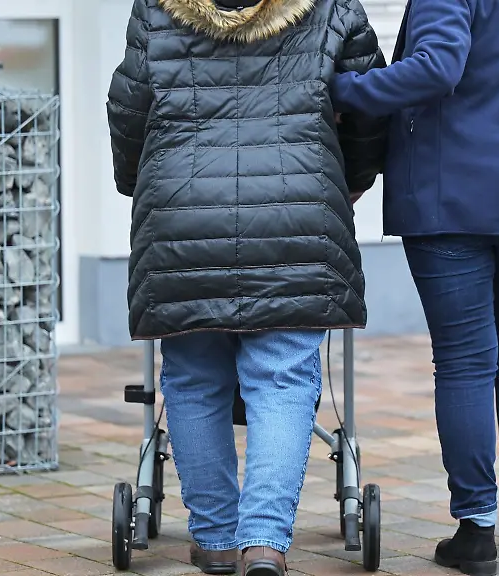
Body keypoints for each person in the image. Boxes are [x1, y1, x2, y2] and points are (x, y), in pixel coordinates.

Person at [106, 0, 387, 571]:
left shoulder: (157, 7)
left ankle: (214, 540)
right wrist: (348, 181)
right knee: (282, 379)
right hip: (295, 215)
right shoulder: (331, 6)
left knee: (192, 379)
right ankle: (263, 542)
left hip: (184, 219)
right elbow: (368, 109)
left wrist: (143, 183)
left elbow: (129, 108)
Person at [329, 0, 499, 574]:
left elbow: (437, 67)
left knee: (465, 359)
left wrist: (341, 88)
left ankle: (476, 530)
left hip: (454, 195)